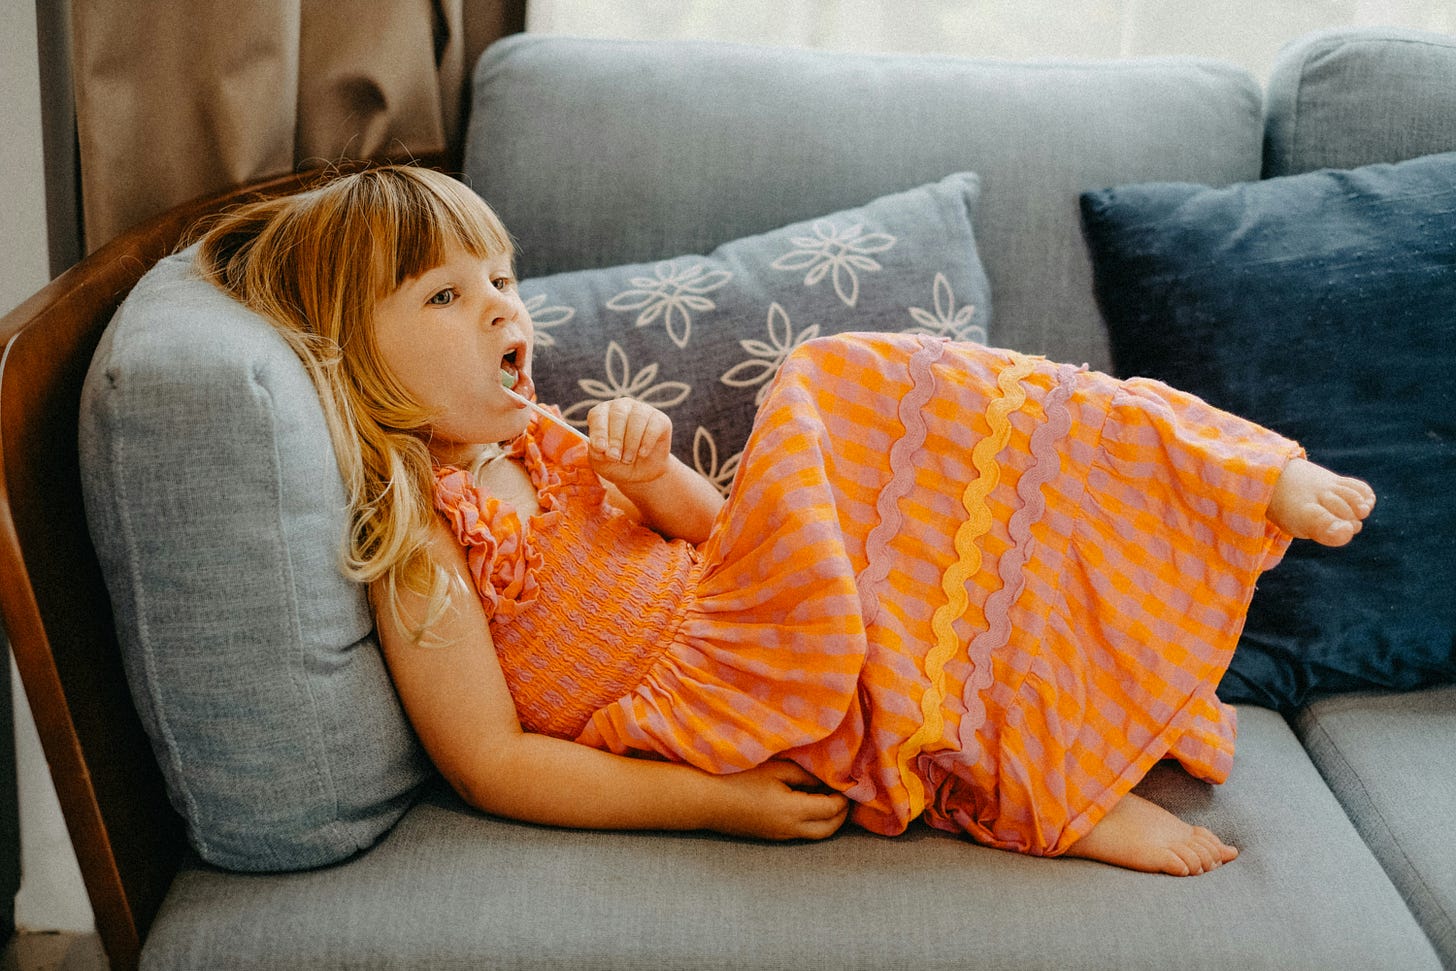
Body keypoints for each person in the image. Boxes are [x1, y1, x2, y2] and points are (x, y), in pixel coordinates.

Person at [196, 164, 1375, 877]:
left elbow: (712, 534)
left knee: (856, 401)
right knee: (878, 564)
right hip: (716, 703)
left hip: (746, 604)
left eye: (501, 277)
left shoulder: (540, 441)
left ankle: (1213, 470)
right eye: (446, 296)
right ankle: (1058, 794)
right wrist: (718, 805)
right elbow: (492, 762)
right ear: (353, 355)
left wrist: (654, 475)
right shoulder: (419, 544)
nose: (502, 309)